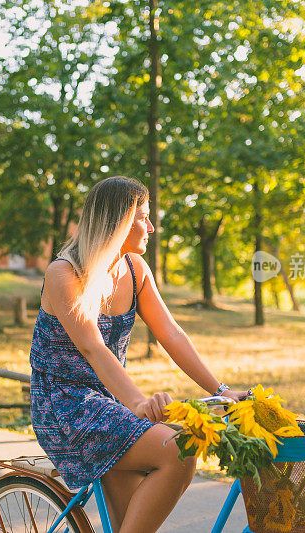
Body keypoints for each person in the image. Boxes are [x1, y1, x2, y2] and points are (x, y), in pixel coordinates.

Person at [30, 176, 246, 532]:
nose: (152, 226)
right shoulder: (64, 273)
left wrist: (220, 391)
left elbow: (172, 334)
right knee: (179, 450)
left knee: (132, 524)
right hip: (63, 404)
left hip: (106, 403)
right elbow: (92, 347)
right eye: (142, 217)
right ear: (116, 223)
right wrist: (137, 403)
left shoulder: (134, 269)